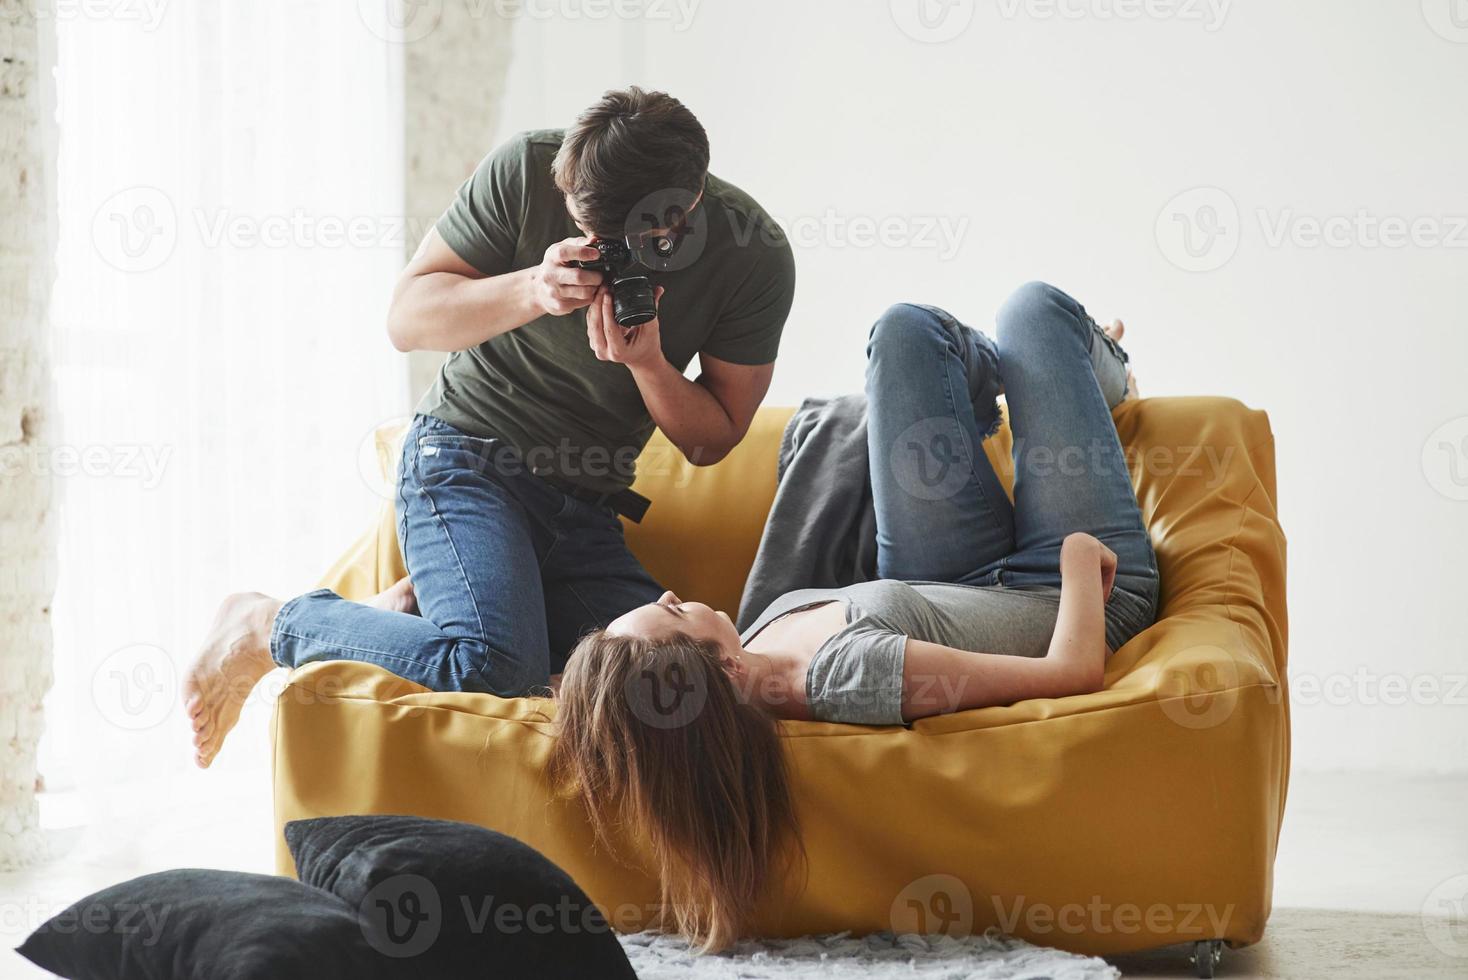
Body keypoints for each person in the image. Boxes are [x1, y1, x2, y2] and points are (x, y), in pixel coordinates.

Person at [183, 87, 796, 768]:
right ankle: (267, 622)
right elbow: (407, 320)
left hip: (586, 508)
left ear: (677, 215)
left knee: (682, 696)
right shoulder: (526, 167)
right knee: (496, 670)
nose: (592, 247)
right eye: (580, 224)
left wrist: (648, 364)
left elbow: (711, 439)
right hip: (467, 459)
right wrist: (532, 288)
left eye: (611, 242)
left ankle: (418, 615)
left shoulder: (754, 253)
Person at [550, 281, 1159, 951]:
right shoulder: (846, 675)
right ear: (718, 669)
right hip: (1071, 592)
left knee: (902, 331)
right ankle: (1088, 373)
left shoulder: (752, 642)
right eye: (669, 613)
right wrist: (1075, 558)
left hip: (944, 577)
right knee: (1034, 314)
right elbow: (1069, 674)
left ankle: (1026, 378)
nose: (669, 595)